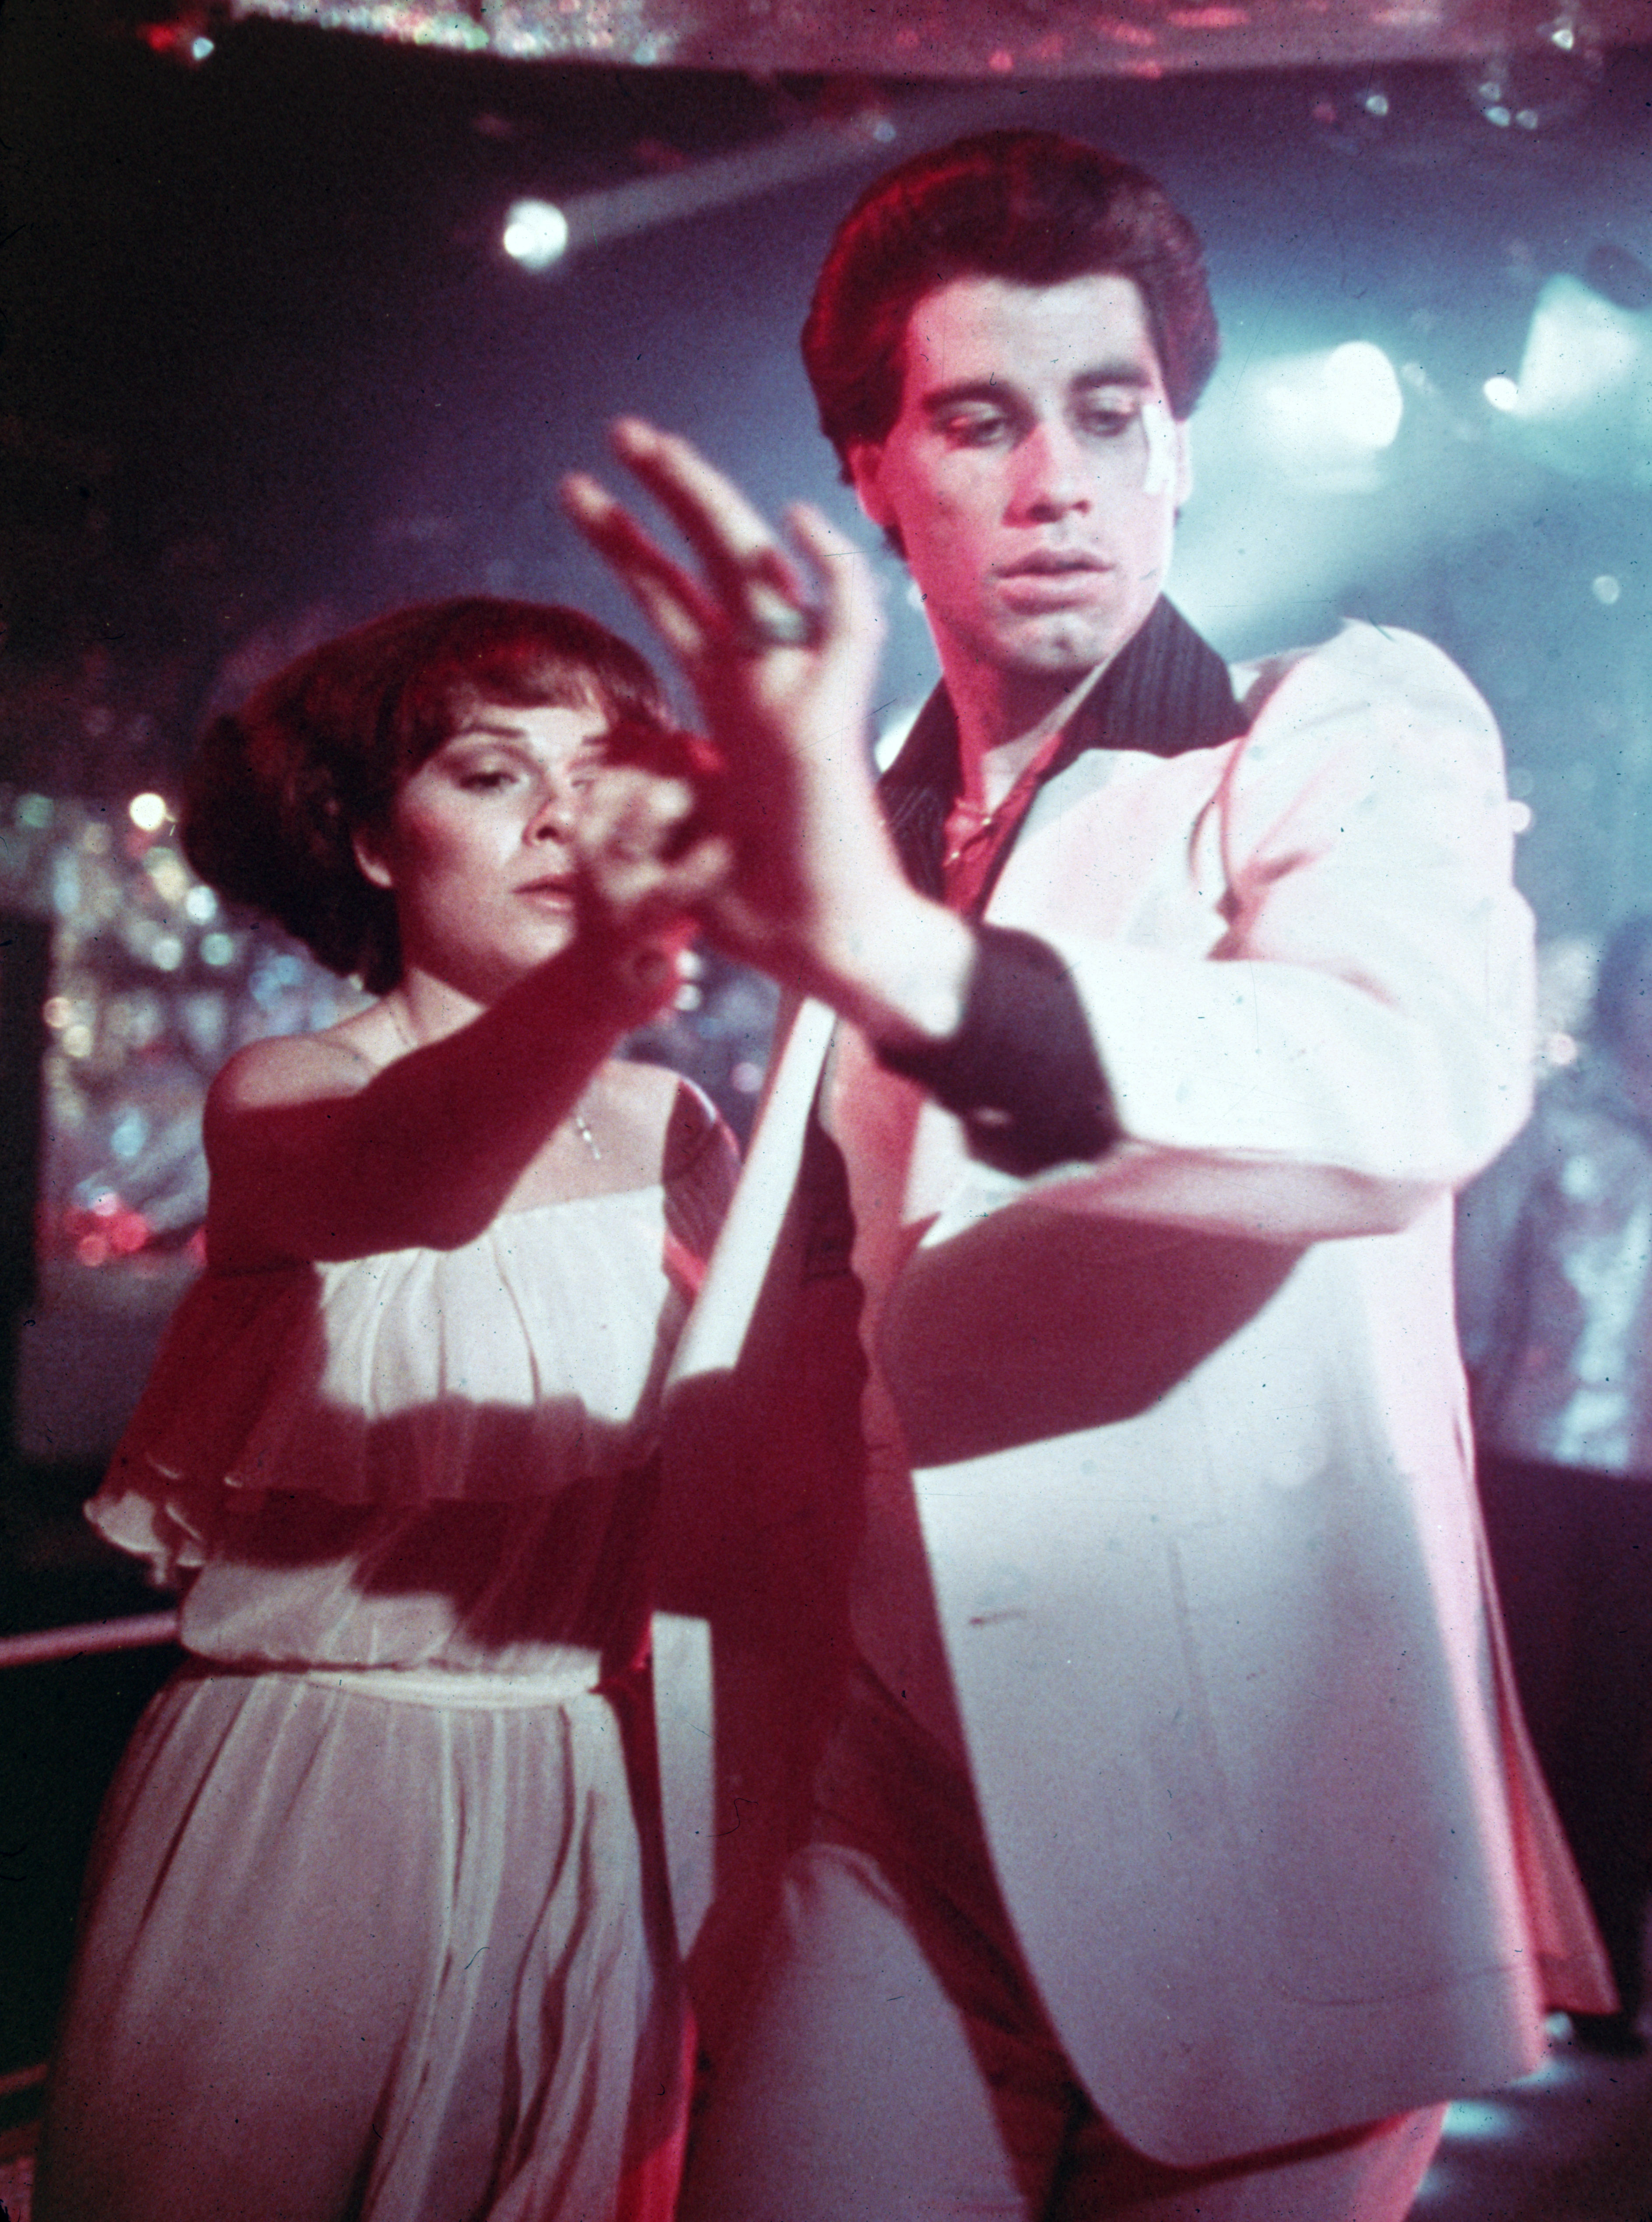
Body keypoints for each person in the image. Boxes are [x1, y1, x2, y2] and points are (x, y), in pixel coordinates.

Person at [562, 131, 1616, 2220]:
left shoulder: (1329, 727)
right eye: (976, 417)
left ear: (1180, 446)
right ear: (870, 473)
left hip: (1254, 1819)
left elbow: (1396, 1077)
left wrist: (902, 955)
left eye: (1106, 412)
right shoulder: (847, 837)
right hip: (876, 1800)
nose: (1055, 478)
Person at [32, 598, 738, 2222]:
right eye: (495, 776)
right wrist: (614, 977)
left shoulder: (680, 1121)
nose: (564, 820)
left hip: (598, 1785)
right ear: (366, 838)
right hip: (312, 1790)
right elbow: (417, 1179)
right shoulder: (288, 1086)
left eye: (600, 776)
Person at [1457, 912, 1652, 2058]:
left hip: (1643, 1480)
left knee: (1624, 1722)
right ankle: (1504, 1975)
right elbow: (1481, 1286)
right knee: (1524, 1714)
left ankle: (1610, 1977)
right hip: (1536, 1458)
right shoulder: (1557, 1131)